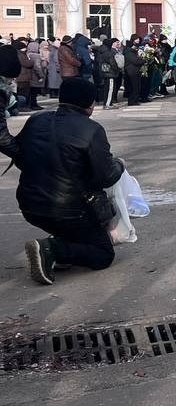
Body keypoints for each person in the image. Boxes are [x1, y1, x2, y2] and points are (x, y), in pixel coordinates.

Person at [12, 77, 125, 285]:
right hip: (70, 211)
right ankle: (52, 249)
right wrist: (119, 164)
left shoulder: (36, 119)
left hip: (30, 205)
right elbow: (106, 176)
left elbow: (21, 155)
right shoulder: (91, 129)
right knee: (102, 254)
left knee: (77, 231)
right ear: (89, 104)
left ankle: (60, 249)